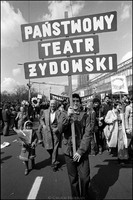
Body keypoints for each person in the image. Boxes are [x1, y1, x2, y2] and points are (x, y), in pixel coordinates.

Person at [62, 93, 92, 200]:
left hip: (81, 153)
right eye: (73, 101)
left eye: (77, 101)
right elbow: (61, 129)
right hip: (68, 151)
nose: (75, 103)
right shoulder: (64, 114)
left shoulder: (86, 115)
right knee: (73, 179)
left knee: (84, 178)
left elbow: (87, 134)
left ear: (80, 103)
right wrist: (67, 116)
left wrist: (80, 151)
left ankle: (84, 196)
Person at [39, 99, 68, 172]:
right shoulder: (45, 112)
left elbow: (65, 120)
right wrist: (43, 125)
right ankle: (53, 156)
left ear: (56, 105)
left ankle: (54, 163)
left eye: (54, 104)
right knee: (48, 147)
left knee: (55, 147)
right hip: (47, 132)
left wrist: (58, 128)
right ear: (49, 104)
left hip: (56, 132)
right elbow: (41, 119)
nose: (52, 105)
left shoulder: (60, 112)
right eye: (51, 104)